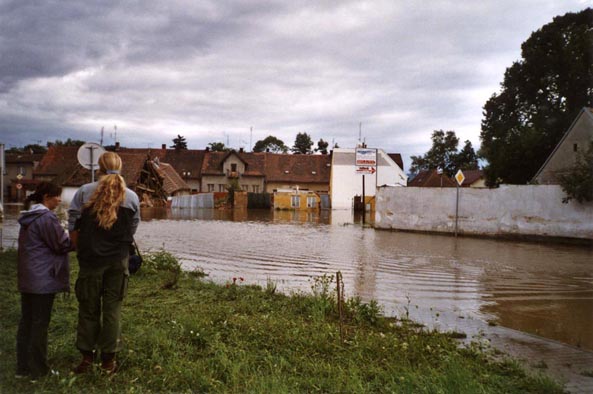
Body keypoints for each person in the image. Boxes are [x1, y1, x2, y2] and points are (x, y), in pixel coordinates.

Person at [68, 152, 140, 374]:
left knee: (88, 309)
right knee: (112, 309)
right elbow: (133, 229)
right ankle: (109, 362)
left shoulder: (84, 192)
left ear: (98, 168)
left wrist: (81, 248)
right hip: (118, 260)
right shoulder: (132, 197)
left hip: (91, 260)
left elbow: (73, 225)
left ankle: (86, 359)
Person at [17, 182, 71, 379]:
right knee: (40, 324)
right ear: (47, 196)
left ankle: (22, 369)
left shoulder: (29, 217)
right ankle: (39, 370)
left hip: (29, 277)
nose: (59, 200)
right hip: (43, 279)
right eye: (57, 196)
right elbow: (62, 244)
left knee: (27, 322)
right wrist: (74, 234)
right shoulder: (46, 217)